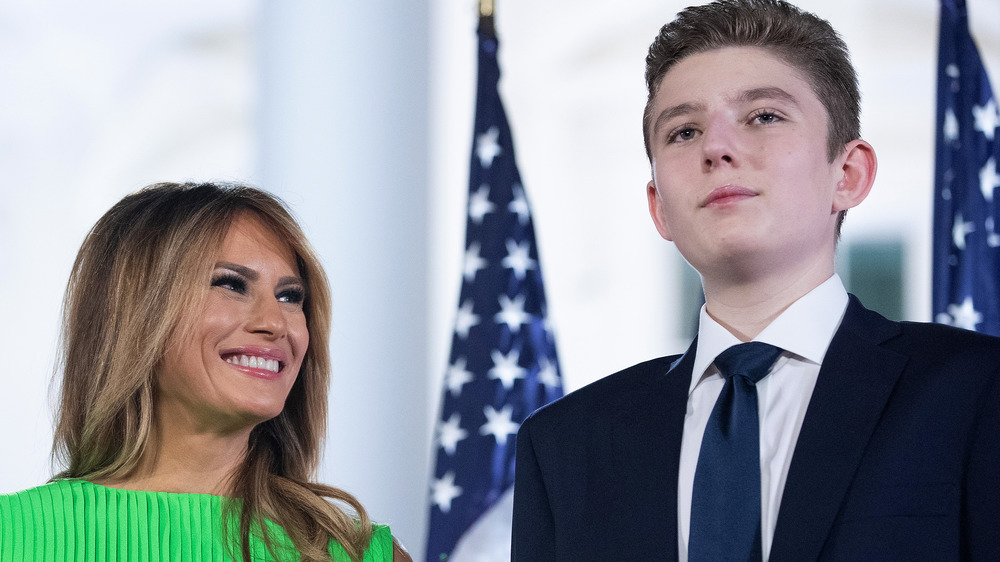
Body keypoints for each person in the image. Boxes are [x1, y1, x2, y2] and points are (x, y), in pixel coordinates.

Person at [512, 1, 1000, 560]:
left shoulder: (979, 392)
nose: (717, 148)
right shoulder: (564, 446)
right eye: (684, 130)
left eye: (764, 116)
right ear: (659, 209)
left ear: (848, 174)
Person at [0, 182, 412, 562]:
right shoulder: (14, 535)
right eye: (231, 285)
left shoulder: (363, 553)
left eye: (290, 296)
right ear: (136, 313)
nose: (276, 323)